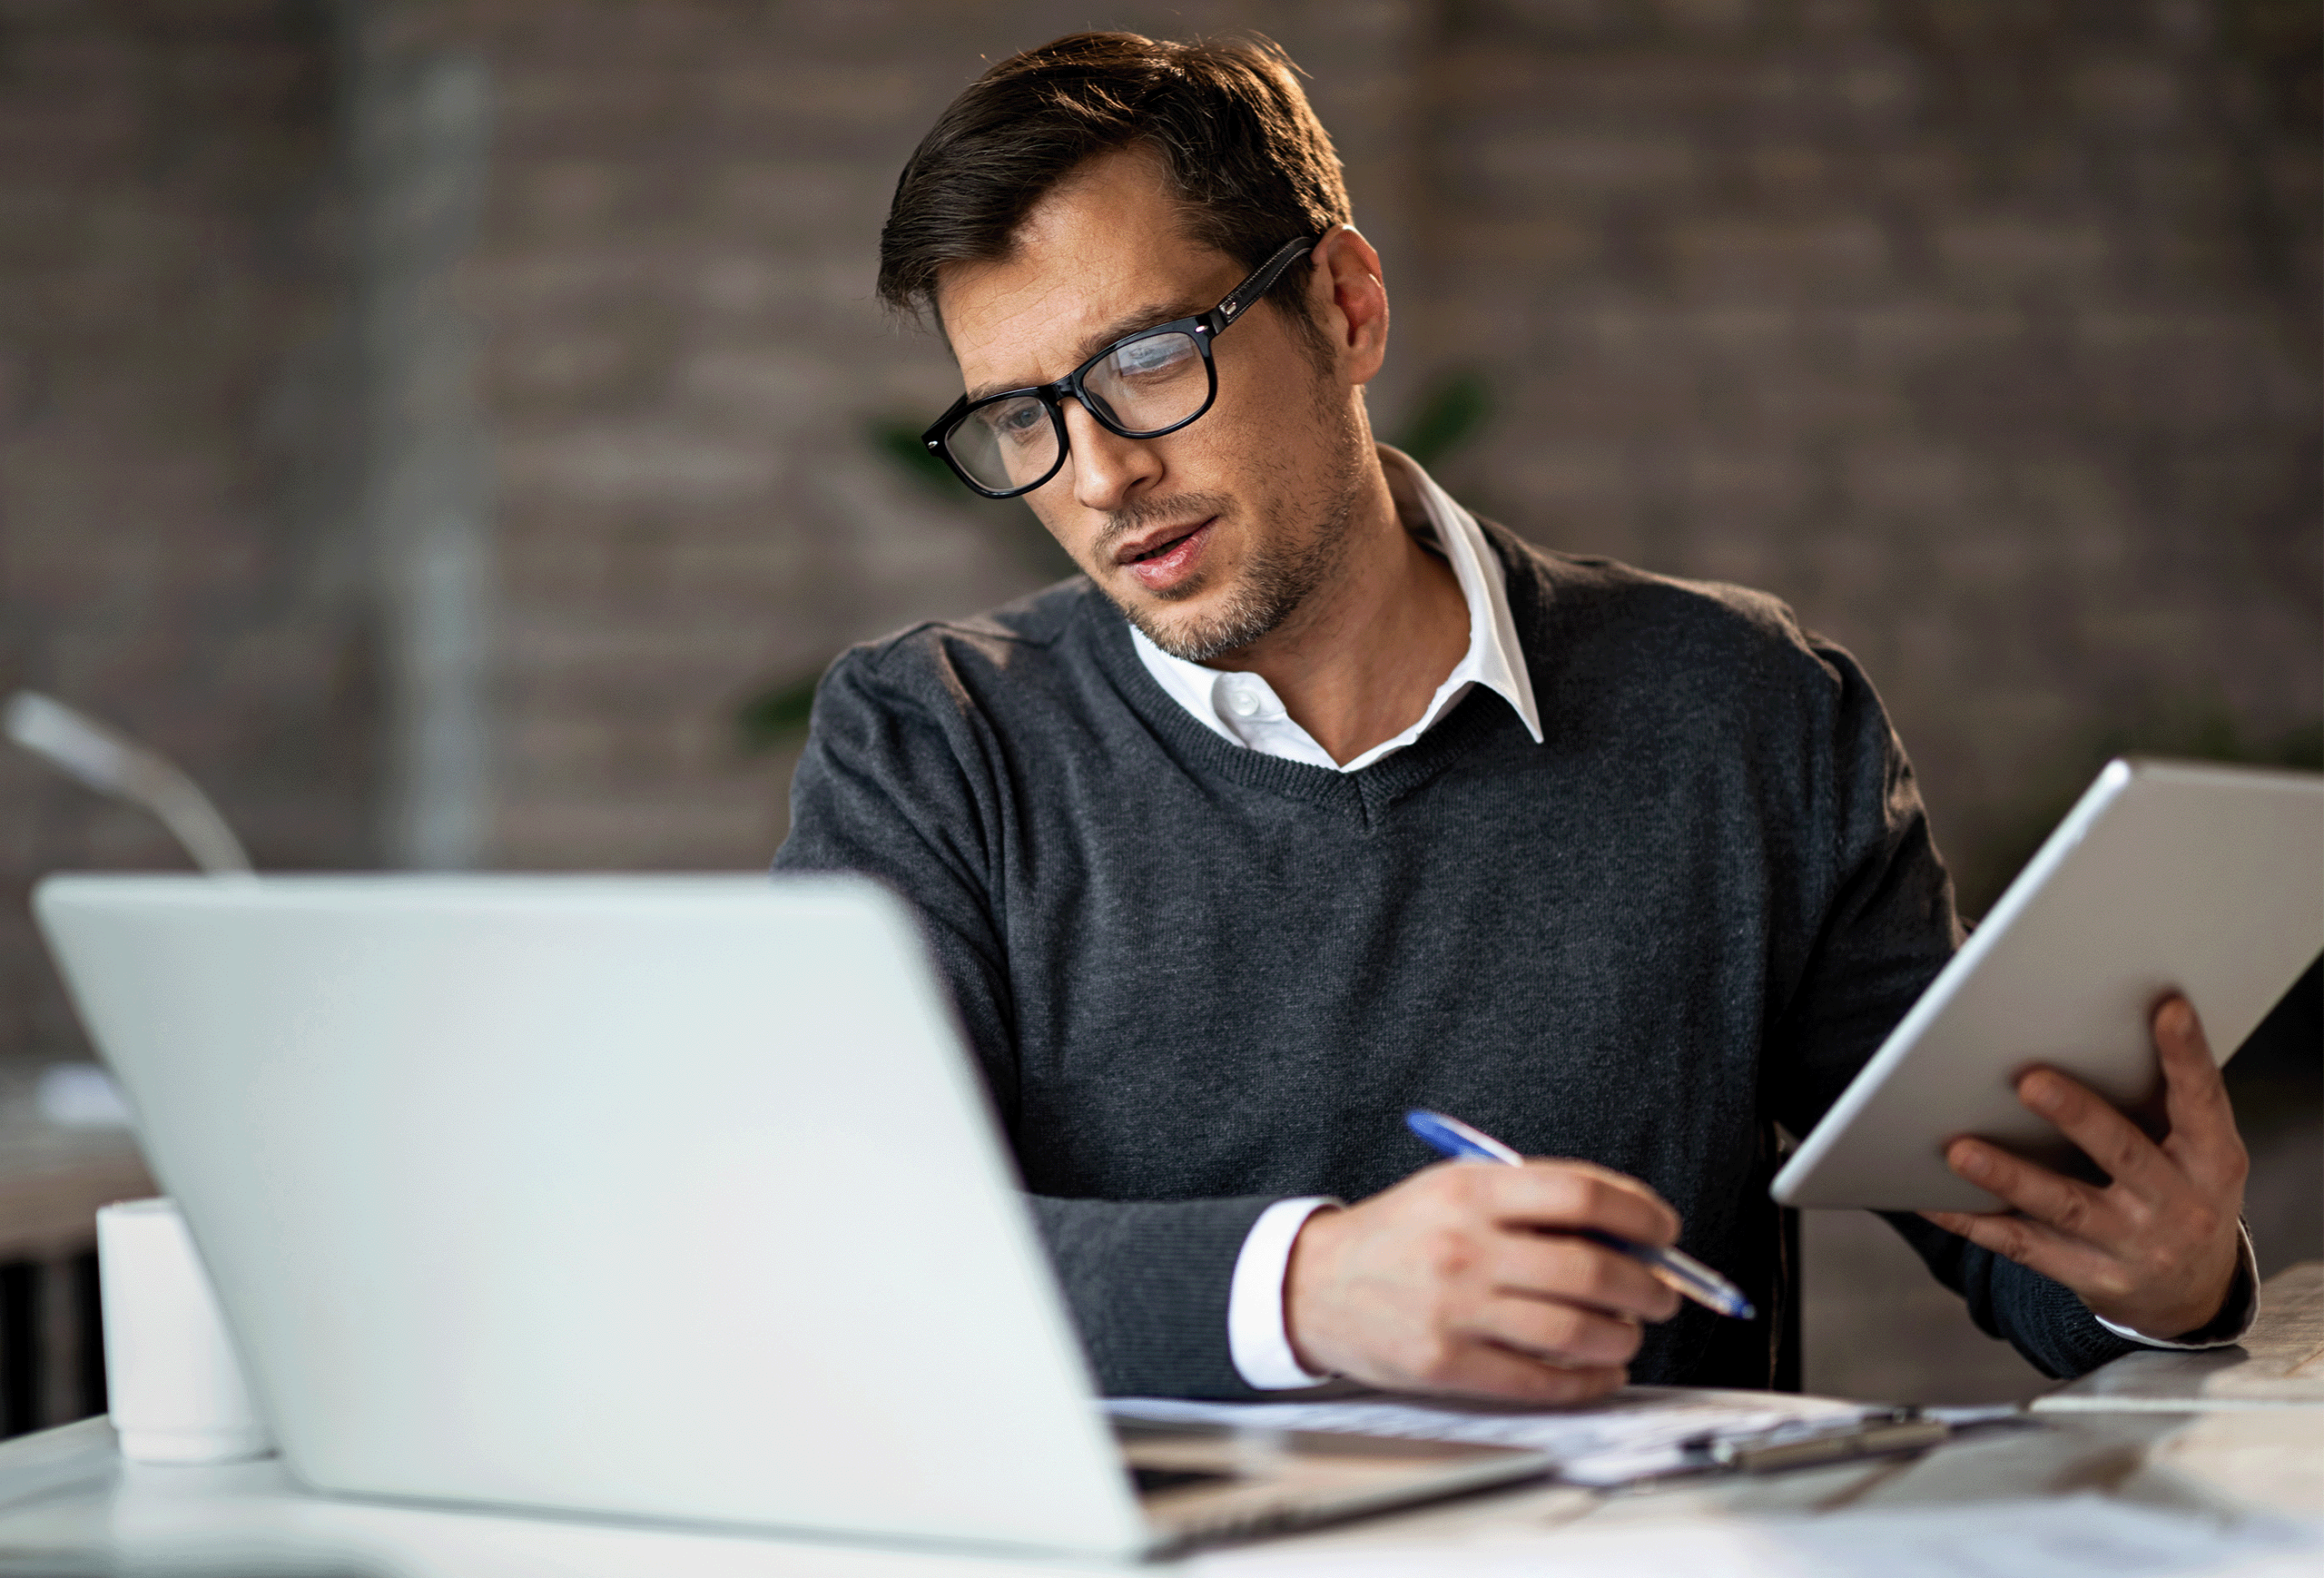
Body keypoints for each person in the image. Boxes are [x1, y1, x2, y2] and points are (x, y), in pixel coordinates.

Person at [774, 32, 2255, 1403]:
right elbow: (837, 1243)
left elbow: (2015, 1237)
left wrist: (2163, 1279)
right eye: (1022, 417)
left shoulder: (1747, 711)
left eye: (1148, 361)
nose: (1096, 479)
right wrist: (1304, 1290)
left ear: (1346, 308)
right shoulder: (933, 741)